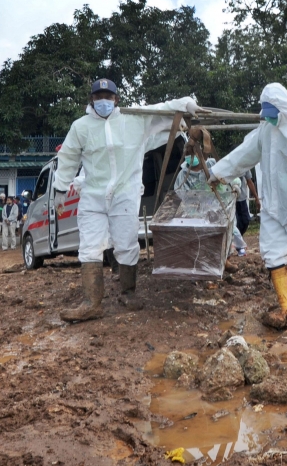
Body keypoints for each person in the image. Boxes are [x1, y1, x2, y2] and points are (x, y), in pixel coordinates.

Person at [53, 77, 205, 322]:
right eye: (98, 97)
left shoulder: (133, 119)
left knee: (126, 244)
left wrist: (185, 103)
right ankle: (92, 303)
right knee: (90, 246)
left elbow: (162, 108)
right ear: (91, 100)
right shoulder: (80, 127)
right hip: (93, 196)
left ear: (116, 99)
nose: (103, 101)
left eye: (108, 97)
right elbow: (68, 158)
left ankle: (128, 293)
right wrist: (60, 190)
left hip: (125, 193)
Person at [209, 83, 287, 323]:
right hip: (273, 208)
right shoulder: (265, 132)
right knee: (273, 253)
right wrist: (218, 172)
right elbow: (243, 155)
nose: (268, 117)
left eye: (271, 111)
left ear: (283, 108)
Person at [174, 137, 243, 270]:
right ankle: (206, 265)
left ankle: (225, 261)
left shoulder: (212, 165)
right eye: (188, 154)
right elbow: (179, 194)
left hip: (220, 206)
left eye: (192, 153)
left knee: (228, 233)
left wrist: (235, 185)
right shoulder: (183, 175)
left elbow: (230, 174)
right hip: (197, 212)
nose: (190, 156)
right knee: (204, 238)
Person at [235, 170, 260, 238]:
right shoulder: (229, 164)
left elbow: (250, 182)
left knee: (245, 221)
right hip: (232, 200)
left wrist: (256, 198)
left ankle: (239, 237)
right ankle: (237, 241)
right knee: (236, 223)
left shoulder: (245, 166)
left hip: (242, 199)